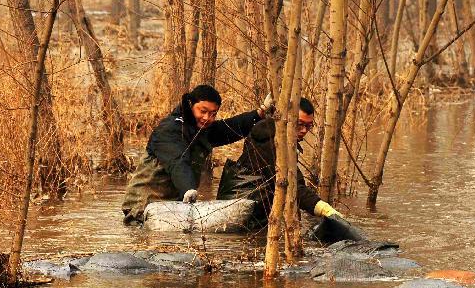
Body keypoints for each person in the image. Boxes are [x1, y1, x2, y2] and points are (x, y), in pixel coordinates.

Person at [122, 84, 274, 223]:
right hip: (142, 209)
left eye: (213, 114)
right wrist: (188, 189)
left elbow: (230, 128)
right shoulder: (169, 130)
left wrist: (261, 112)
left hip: (171, 208)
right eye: (203, 111)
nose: (208, 118)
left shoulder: (202, 129)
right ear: (190, 105)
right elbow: (178, 162)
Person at [216, 97, 342, 227]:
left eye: (308, 126)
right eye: (299, 124)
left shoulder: (283, 141)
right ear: (286, 119)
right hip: (238, 217)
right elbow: (291, 184)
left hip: (253, 214)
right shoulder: (268, 142)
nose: (304, 130)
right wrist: (324, 209)